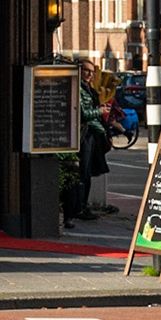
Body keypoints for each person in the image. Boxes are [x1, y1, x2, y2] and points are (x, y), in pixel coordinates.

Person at [65, 59, 107, 228]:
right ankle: (79, 208)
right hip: (84, 134)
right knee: (82, 172)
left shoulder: (89, 89)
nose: (90, 74)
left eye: (92, 71)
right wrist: (99, 111)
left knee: (87, 171)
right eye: (86, 71)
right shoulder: (78, 89)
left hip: (92, 134)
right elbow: (82, 114)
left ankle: (83, 206)